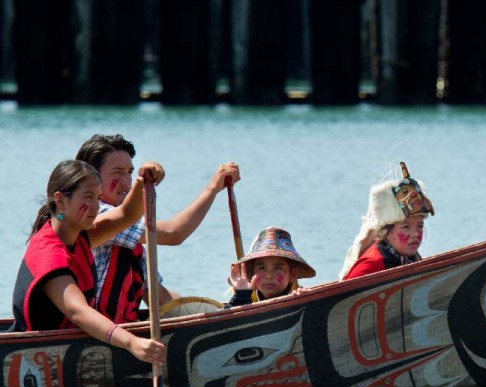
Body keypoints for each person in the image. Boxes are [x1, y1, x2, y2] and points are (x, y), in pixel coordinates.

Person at [11, 159, 165, 366]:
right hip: (37, 360)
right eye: (88, 197)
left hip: (66, 352)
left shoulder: (78, 235)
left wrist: (141, 181)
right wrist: (131, 343)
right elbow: (78, 311)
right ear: (61, 200)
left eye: (98, 198)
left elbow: (126, 214)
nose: (96, 206)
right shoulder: (49, 253)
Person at [75, 134, 240, 323]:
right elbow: (174, 233)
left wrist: (220, 314)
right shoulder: (92, 215)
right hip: (87, 331)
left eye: (130, 172)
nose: (126, 182)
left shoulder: (131, 241)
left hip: (117, 331)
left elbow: (159, 297)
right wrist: (212, 187)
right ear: (90, 179)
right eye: (117, 172)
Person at [339, 162, 434, 280]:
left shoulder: (410, 258)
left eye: (419, 225)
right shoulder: (370, 265)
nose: (415, 233)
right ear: (386, 231)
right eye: (406, 227)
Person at [224, 226, 316, 308]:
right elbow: (226, 322)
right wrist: (242, 295)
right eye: (262, 268)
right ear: (252, 274)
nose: (269, 276)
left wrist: (305, 302)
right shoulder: (245, 298)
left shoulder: (301, 296)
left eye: (277, 268)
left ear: (293, 273)